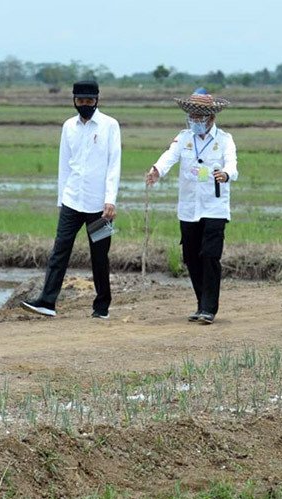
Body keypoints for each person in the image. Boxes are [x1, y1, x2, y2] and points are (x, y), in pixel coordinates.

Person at [21, 80, 121, 319]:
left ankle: (102, 306)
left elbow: (114, 165)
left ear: (97, 100)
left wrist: (111, 200)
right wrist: (61, 199)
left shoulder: (110, 125)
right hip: (72, 201)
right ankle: (47, 301)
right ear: (74, 100)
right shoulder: (69, 126)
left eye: (89, 101)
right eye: (80, 101)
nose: (84, 105)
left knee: (100, 256)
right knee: (60, 250)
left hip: (100, 207)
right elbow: (64, 165)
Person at [144, 88, 238, 325]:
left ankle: (209, 308)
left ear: (212, 118)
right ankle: (201, 303)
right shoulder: (184, 138)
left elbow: (232, 163)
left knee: (210, 256)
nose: (195, 121)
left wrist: (226, 174)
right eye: (192, 117)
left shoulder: (224, 140)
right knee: (191, 257)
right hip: (189, 208)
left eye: (200, 117)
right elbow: (169, 156)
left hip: (214, 207)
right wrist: (157, 170)